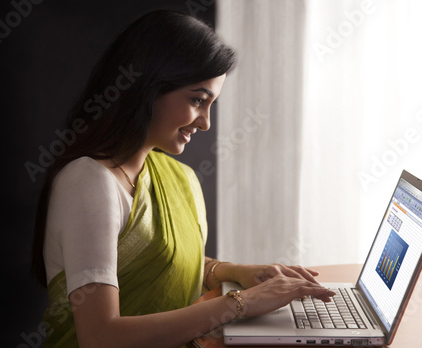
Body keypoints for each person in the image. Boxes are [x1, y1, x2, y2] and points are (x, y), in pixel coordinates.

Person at [31, 9, 335, 348]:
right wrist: (242, 303)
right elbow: (101, 336)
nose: (204, 122)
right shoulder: (88, 182)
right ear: (146, 87)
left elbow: (166, 260)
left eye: (210, 104)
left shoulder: (178, 177)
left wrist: (234, 272)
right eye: (197, 100)